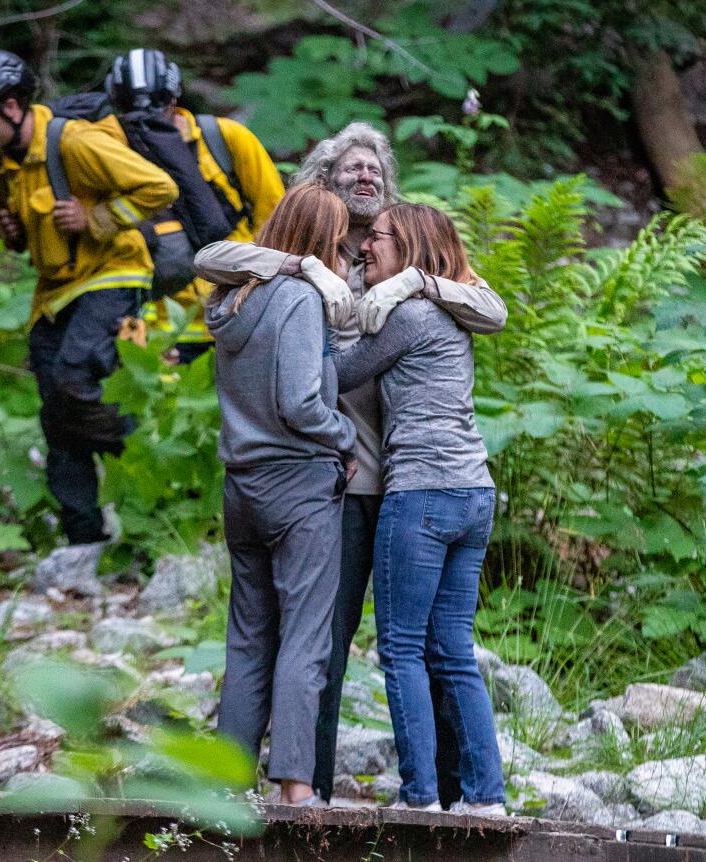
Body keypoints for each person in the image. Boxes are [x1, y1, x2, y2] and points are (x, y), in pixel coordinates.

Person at [194, 121, 507, 805]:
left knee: (423, 644)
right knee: (325, 643)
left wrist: (415, 283)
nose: (364, 177)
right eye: (350, 169)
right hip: (336, 475)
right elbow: (213, 256)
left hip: (403, 479)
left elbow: (490, 306)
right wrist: (303, 266)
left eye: (374, 168)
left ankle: (454, 791)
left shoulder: (404, 256)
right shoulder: (308, 262)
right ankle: (316, 788)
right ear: (323, 184)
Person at [0, 50, 178, 546]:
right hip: (53, 294)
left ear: (12, 107)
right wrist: (8, 231)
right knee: (55, 412)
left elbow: (159, 187)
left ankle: (141, 451)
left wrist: (96, 217)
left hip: (114, 274)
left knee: (75, 377)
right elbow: (5, 229)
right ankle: (83, 539)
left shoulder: (75, 142)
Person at [333, 203, 505, 814]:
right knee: (453, 648)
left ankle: (421, 798)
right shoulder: (451, 308)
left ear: (407, 245)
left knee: (401, 648)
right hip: (473, 491)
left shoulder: (407, 314)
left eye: (375, 239)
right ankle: (486, 799)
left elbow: (341, 375)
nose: (364, 249)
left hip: (422, 493)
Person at [207, 184, 356, 806]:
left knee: (248, 636)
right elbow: (300, 402)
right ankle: (296, 786)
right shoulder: (298, 299)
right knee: (305, 635)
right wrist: (344, 434)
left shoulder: (232, 299)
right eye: (341, 240)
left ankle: (226, 781)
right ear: (324, 242)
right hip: (297, 485)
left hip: (241, 485)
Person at [102, 48, 283, 363]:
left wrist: (258, 298)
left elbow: (277, 219)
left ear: (174, 98)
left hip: (234, 316)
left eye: (158, 104)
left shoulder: (224, 139)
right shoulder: (109, 155)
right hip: (157, 329)